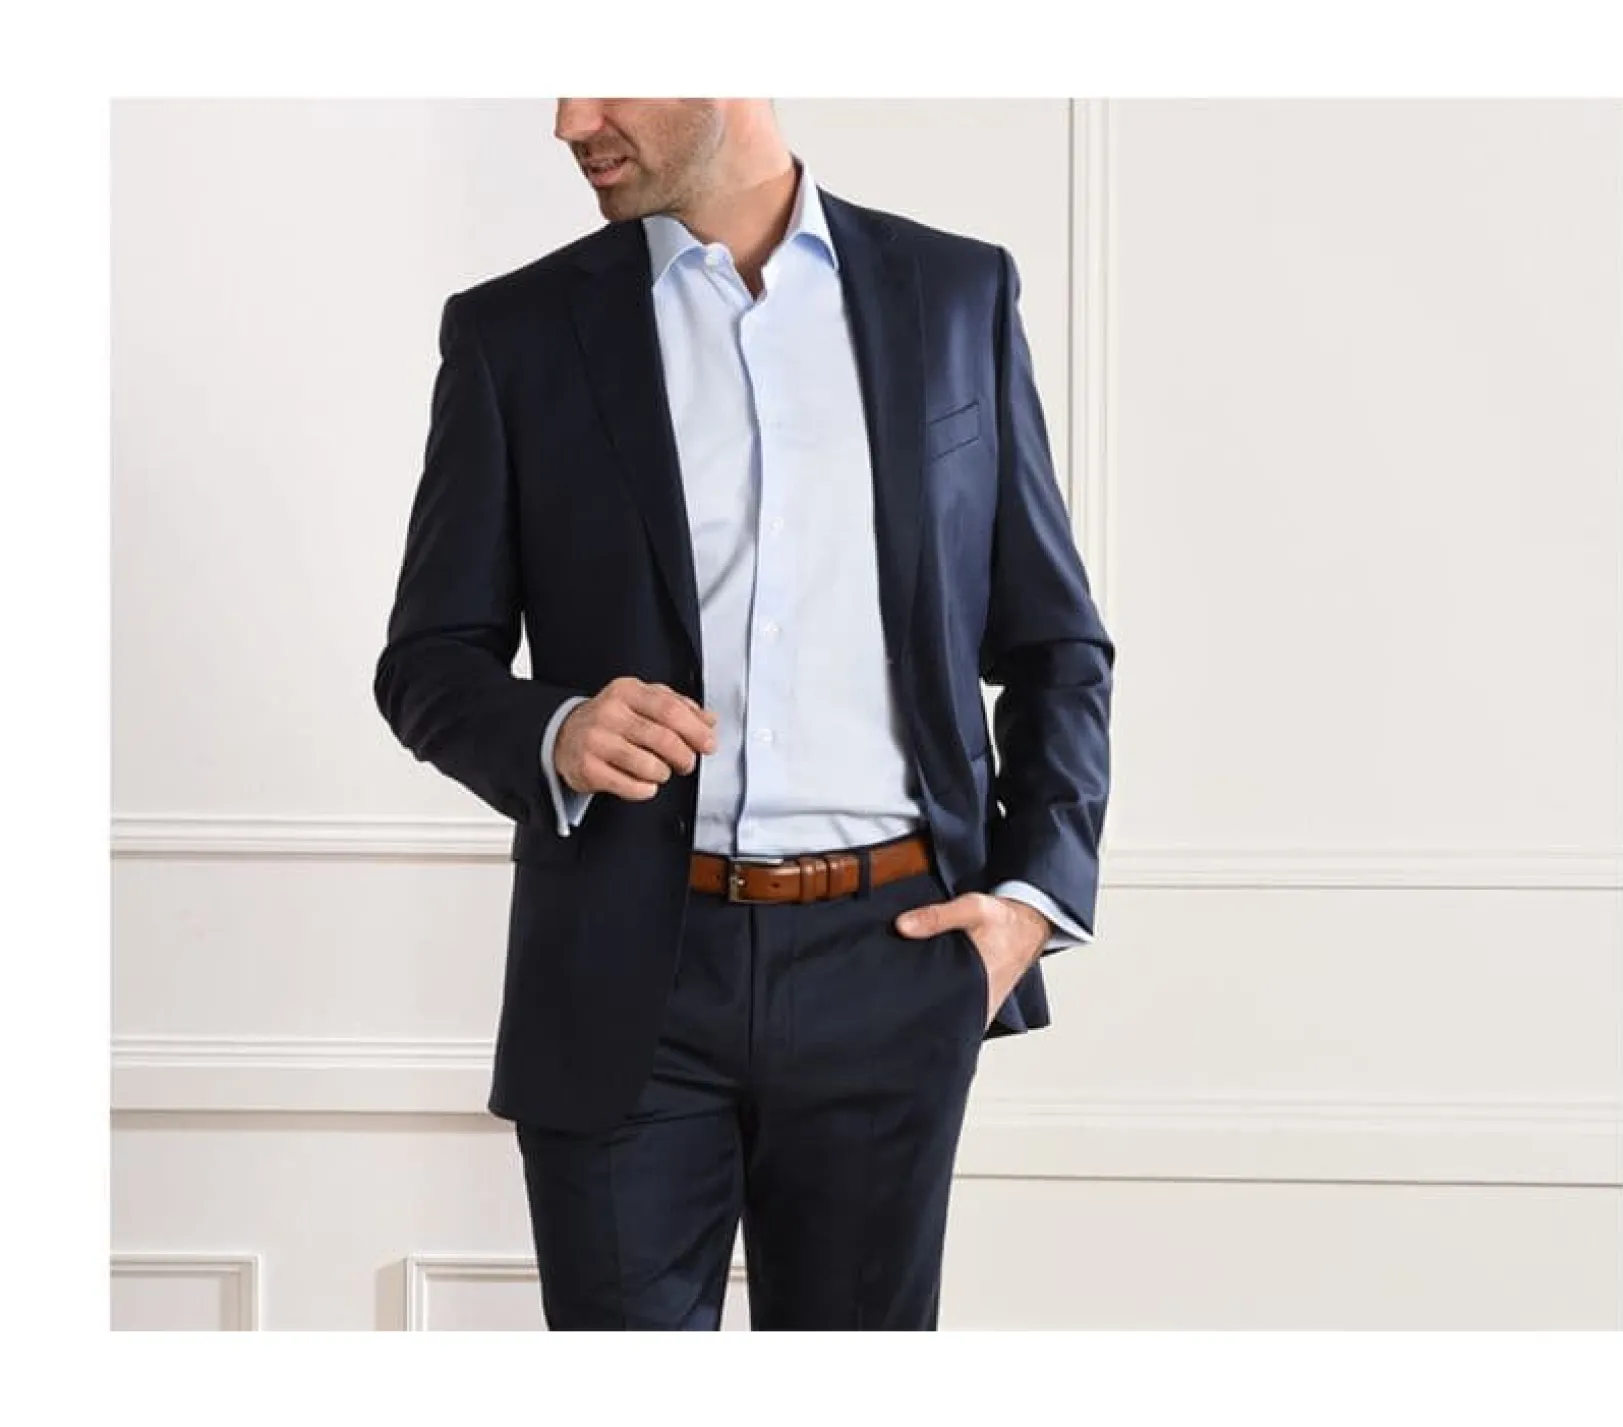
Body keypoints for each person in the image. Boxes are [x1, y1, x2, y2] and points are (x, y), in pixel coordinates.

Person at [373, 98, 1114, 1331]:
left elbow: (1056, 643)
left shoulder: (953, 295)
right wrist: (555, 730)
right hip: (623, 970)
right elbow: (428, 661)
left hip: (895, 959)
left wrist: (1031, 902)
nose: (570, 119)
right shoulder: (515, 332)